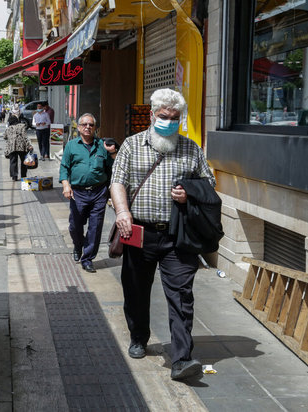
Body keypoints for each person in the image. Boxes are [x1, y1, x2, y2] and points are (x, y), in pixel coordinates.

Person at [110, 88, 216, 381]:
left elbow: (210, 183)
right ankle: (139, 336)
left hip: (177, 236)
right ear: (153, 114)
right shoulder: (132, 145)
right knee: (135, 290)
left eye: (175, 117)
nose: (169, 121)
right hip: (138, 232)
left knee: (182, 295)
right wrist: (122, 212)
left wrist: (189, 193)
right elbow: (117, 181)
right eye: (164, 116)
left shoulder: (191, 148)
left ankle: (182, 358)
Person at [59, 113, 117, 273]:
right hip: (78, 193)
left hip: (99, 192)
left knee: (95, 227)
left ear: (96, 128)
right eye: (84, 124)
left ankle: (88, 258)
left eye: (91, 125)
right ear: (78, 127)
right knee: (74, 226)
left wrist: (112, 153)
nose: (88, 127)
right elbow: (64, 167)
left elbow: (113, 166)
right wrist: (66, 185)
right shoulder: (71, 145)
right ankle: (78, 245)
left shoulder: (102, 145)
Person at [4, 109, 33, 181]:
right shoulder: (22, 126)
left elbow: (4, 137)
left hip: (12, 147)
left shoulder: (8, 128)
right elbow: (25, 136)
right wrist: (29, 145)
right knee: (23, 161)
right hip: (21, 147)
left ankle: (14, 176)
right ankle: (23, 175)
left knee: (13, 162)